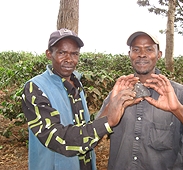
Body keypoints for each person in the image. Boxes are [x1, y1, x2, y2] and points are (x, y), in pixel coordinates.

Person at [96, 31, 183, 170]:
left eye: (149, 49)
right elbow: (91, 141)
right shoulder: (117, 95)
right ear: (129, 55)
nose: (142, 54)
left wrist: (178, 110)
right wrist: (109, 110)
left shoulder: (182, 96)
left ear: (159, 54)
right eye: (136, 49)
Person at [21, 28, 140, 170]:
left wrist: (109, 108)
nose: (69, 59)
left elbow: (84, 129)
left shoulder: (76, 83)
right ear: (49, 54)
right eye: (62, 53)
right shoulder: (35, 88)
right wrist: (107, 122)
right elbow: (58, 139)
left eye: (74, 54)